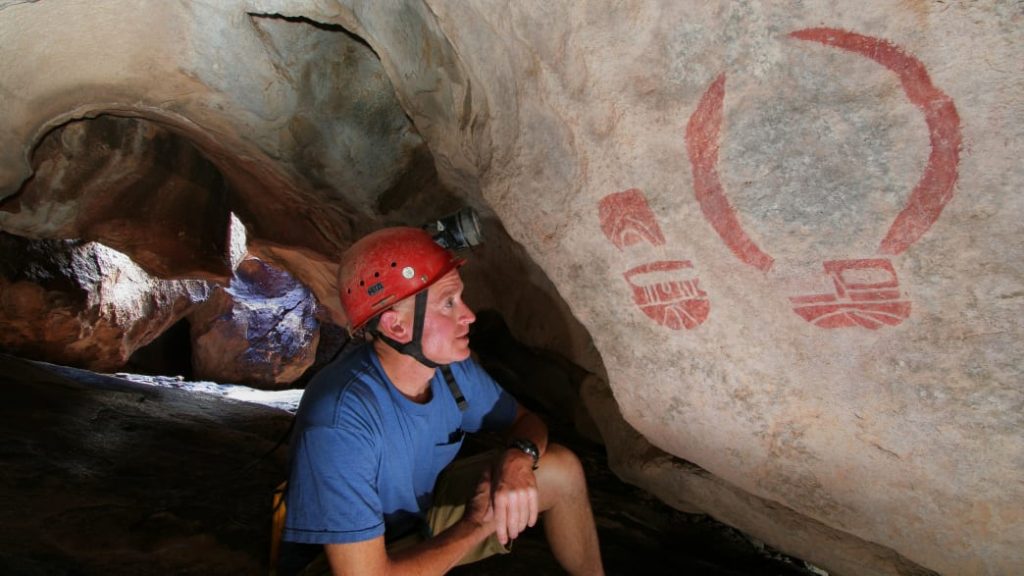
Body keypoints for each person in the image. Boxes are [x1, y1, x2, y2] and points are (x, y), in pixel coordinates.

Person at [280, 227, 604, 575]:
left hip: (421, 518)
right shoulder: (340, 420)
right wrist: (476, 526)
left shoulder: (451, 371)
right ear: (397, 327)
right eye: (449, 303)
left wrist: (518, 459)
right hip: (345, 561)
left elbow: (526, 421)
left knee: (562, 470)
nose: (469, 315)